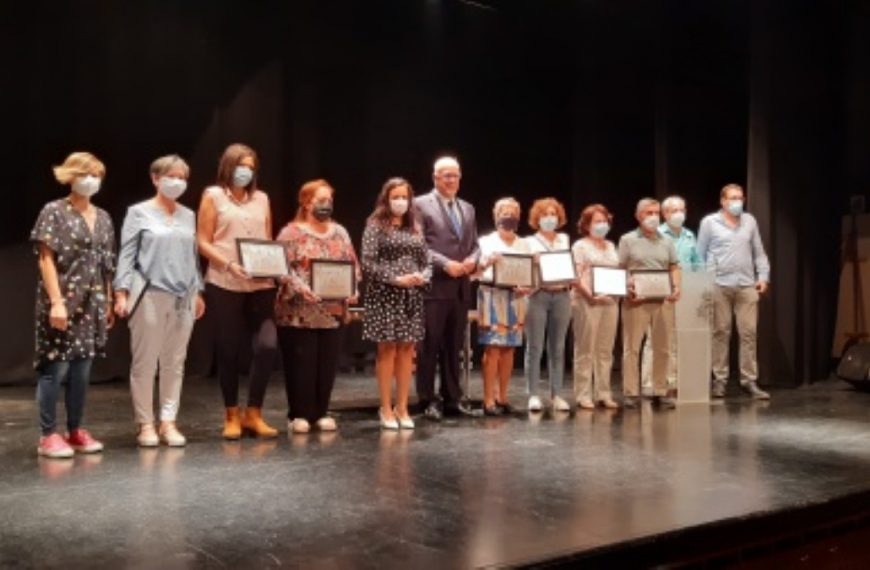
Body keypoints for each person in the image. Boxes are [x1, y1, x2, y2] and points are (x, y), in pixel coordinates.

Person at [114, 155, 206, 447]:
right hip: (149, 294)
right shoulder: (138, 213)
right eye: (172, 176)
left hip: (184, 295)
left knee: (174, 362)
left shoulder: (188, 215)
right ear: (156, 178)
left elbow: (192, 257)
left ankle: (168, 422)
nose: (177, 182)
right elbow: (126, 254)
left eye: (182, 177)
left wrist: (198, 290)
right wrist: (121, 292)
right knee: (145, 362)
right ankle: (145, 424)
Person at [30, 152, 115, 458]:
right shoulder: (54, 211)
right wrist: (56, 303)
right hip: (63, 301)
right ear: (70, 175)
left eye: (97, 174)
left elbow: (106, 263)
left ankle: (75, 429)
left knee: (82, 370)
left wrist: (106, 298)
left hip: (93, 304)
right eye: (85, 173)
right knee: (56, 367)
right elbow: (46, 258)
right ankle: (48, 434)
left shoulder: (104, 218)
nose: (91, 179)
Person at [196, 143, 278, 439]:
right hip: (225, 281)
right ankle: (231, 413)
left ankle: (253, 413)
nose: (247, 171)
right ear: (229, 167)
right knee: (228, 350)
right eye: (242, 165)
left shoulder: (262, 199)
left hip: (259, 283)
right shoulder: (213, 196)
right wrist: (229, 265)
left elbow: (267, 238)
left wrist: (271, 266)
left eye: (252, 167)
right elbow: (202, 241)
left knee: (267, 346)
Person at [276, 179, 360, 433]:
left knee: (326, 362)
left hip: (332, 312)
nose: (327, 205)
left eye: (329, 201)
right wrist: (302, 288)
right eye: (321, 200)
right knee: (301, 362)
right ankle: (299, 414)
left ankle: (321, 411)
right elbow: (280, 268)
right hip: (298, 311)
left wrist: (353, 289)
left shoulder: (340, 232)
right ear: (306, 202)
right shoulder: (291, 233)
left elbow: (353, 266)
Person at [361, 178, 430, 430]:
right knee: (387, 350)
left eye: (405, 197)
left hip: (411, 296)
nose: (400, 201)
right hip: (385, 295)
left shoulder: (415, 226)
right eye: (396, 197)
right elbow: (368, 262)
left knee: (407, 351)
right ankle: (386, 408)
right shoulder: (375, 225)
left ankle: (402, 407)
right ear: (386, 198)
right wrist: (395, 279)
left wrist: (422, 276)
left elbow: (427, 259)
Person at [414, 156, 480, 420]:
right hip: (434, 287)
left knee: (455, 347)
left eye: (455, 175)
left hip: (461, 288)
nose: (451, 180)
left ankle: (453, 398)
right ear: (435, 178)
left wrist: (473, 259)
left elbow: (474, 243)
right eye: (446, 175)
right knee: (430, 346)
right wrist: (444, 264)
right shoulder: (419, 204)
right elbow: (417, 245)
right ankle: (428, 400)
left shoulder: (468, 208)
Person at [696, 183, 771, 400]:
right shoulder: (709, 223)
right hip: (719, 284)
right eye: (733, 198)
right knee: (721, 333)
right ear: (723, 201)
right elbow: (699, 255)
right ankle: (719, 381)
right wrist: (703, 283)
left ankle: (749, 381)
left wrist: (763, 277)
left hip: (747, 285)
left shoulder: (750, 221)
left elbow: (759, 252)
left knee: (749, 334)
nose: (738, 201)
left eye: (740, 197)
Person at [618, 198, 681, 410]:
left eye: (656, 212)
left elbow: (674, 266)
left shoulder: (666, 241)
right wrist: (627, 286)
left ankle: (661, 390)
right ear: (638, 216)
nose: (653, 217)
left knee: (663, 348)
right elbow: (620, 267)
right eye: (648, 213)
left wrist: (676, 287)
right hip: (636, 302)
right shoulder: (627, 240)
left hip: (663, 301)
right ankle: (631, 392)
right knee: (632, 348)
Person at [640, 195, 702, 393]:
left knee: (675, 339)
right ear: (665, 214)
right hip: (660, 289)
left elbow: (697, 264)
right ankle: (649, 382)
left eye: (682, 210)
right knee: (655, 339)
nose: (679, 214)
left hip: (684, 292)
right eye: (675, 210)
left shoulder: (690, 236)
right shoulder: (656, 234)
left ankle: (671, 380)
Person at [475, 197, 530, 416]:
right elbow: (475, 271)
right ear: (496, 216)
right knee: (493, 347)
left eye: (513, 212)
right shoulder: (485, 241)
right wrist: (487, 262)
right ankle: (488, 399)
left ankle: (503, 396)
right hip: (491, 294)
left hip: (515, 298)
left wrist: (527, 286)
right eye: (504, 212)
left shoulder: (523, 244)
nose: (509, 216)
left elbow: (529, 275)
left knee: (509, 349)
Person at [524, 198, 573, 413]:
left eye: (553, 214)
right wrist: (532, 260)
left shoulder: (564, 239)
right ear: (537, 218)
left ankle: (557, 395)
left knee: (558, 347)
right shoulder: (529, 242)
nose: (550, 218)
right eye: (545, 215)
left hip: (562, 295)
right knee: (535, 347)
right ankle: (533, 394)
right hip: (538, 295)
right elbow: (524, 269)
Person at [571, 204, 620, 410]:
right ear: (587, 224)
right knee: (585, 348)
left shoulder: (610, 246)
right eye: (597, 221)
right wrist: (590, 295)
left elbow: (617, 272)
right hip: (586, 301)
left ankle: (604, 392)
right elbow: (574, 277)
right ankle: (583, 394)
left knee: (605, 349)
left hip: (610, 302)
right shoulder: (580, 246)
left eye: (604, 221)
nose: (602, 225)